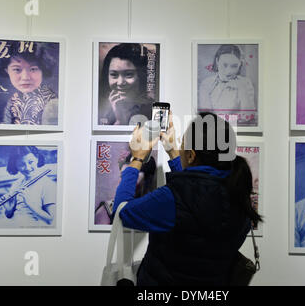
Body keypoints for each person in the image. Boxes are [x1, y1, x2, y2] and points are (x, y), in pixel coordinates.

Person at [112, 111, 262, 285]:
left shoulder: (173, 198)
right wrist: (174, 153)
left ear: (191, 155)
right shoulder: (238, 193)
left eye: (182, 144)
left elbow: (121, 211)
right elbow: (196, 193)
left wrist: (137, 158)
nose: (179, 147)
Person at [0, 40, 59, 125]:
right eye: (17, 69)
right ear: (7, 71)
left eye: (33, 69)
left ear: (43, 70)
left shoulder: (53, 102)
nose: (25, 77)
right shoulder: (12, 102)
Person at [0, 146, 56, 227]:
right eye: (21, 164)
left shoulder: (47, 184)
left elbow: (51, 221)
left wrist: (29, 203)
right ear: (15, 166)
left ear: (37, 159)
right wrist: (9, 209)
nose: (27, 168)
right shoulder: (16, 184)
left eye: (31, 162)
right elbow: (10, 215)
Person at [98, 43, 155, 125]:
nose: (120, 82)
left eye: (129, 74)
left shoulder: (152, 111)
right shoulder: (101, 112)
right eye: (114, 75)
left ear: (141, 76)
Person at [198, 44, 256, 121]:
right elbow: (207, 118)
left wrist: (242, 89)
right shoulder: (206, 84)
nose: (229, 71)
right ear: (217, 61)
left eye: (234, 66)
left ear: (240, 65)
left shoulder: (245, 83)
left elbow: (249, 116)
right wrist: (236, 117)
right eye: (224, 65)